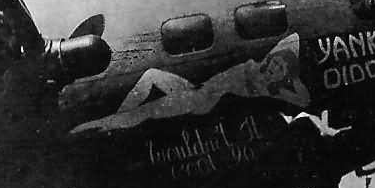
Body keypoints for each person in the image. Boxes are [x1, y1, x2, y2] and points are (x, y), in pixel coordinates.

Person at [71, 32, 310, 134]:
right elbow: (291, 40)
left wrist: (290, 78)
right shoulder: (258, 67)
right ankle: (111, 120)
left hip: (200, 100)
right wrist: (286, 64)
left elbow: (303, 99)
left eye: (280, 69)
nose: (274, 67)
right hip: (195, 91)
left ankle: (101, 124)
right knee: (151, 77)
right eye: (277, 63)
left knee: (144, 113)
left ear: (283, 76)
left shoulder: (265, 87)